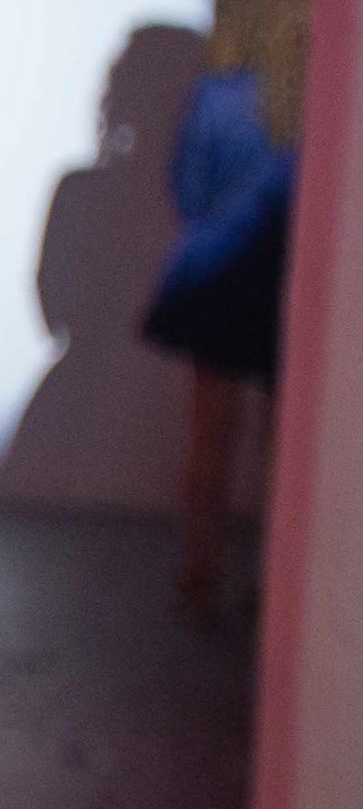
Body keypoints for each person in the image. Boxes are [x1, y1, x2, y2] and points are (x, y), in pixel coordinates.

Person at [141, 61, 292, 624]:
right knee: (282, 445)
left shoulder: (221, 93)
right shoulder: (319, 90)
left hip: (221, 275)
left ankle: (200, 580)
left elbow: (189, 188)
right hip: (284, 279)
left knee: (211, 439)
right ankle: (270, 589)